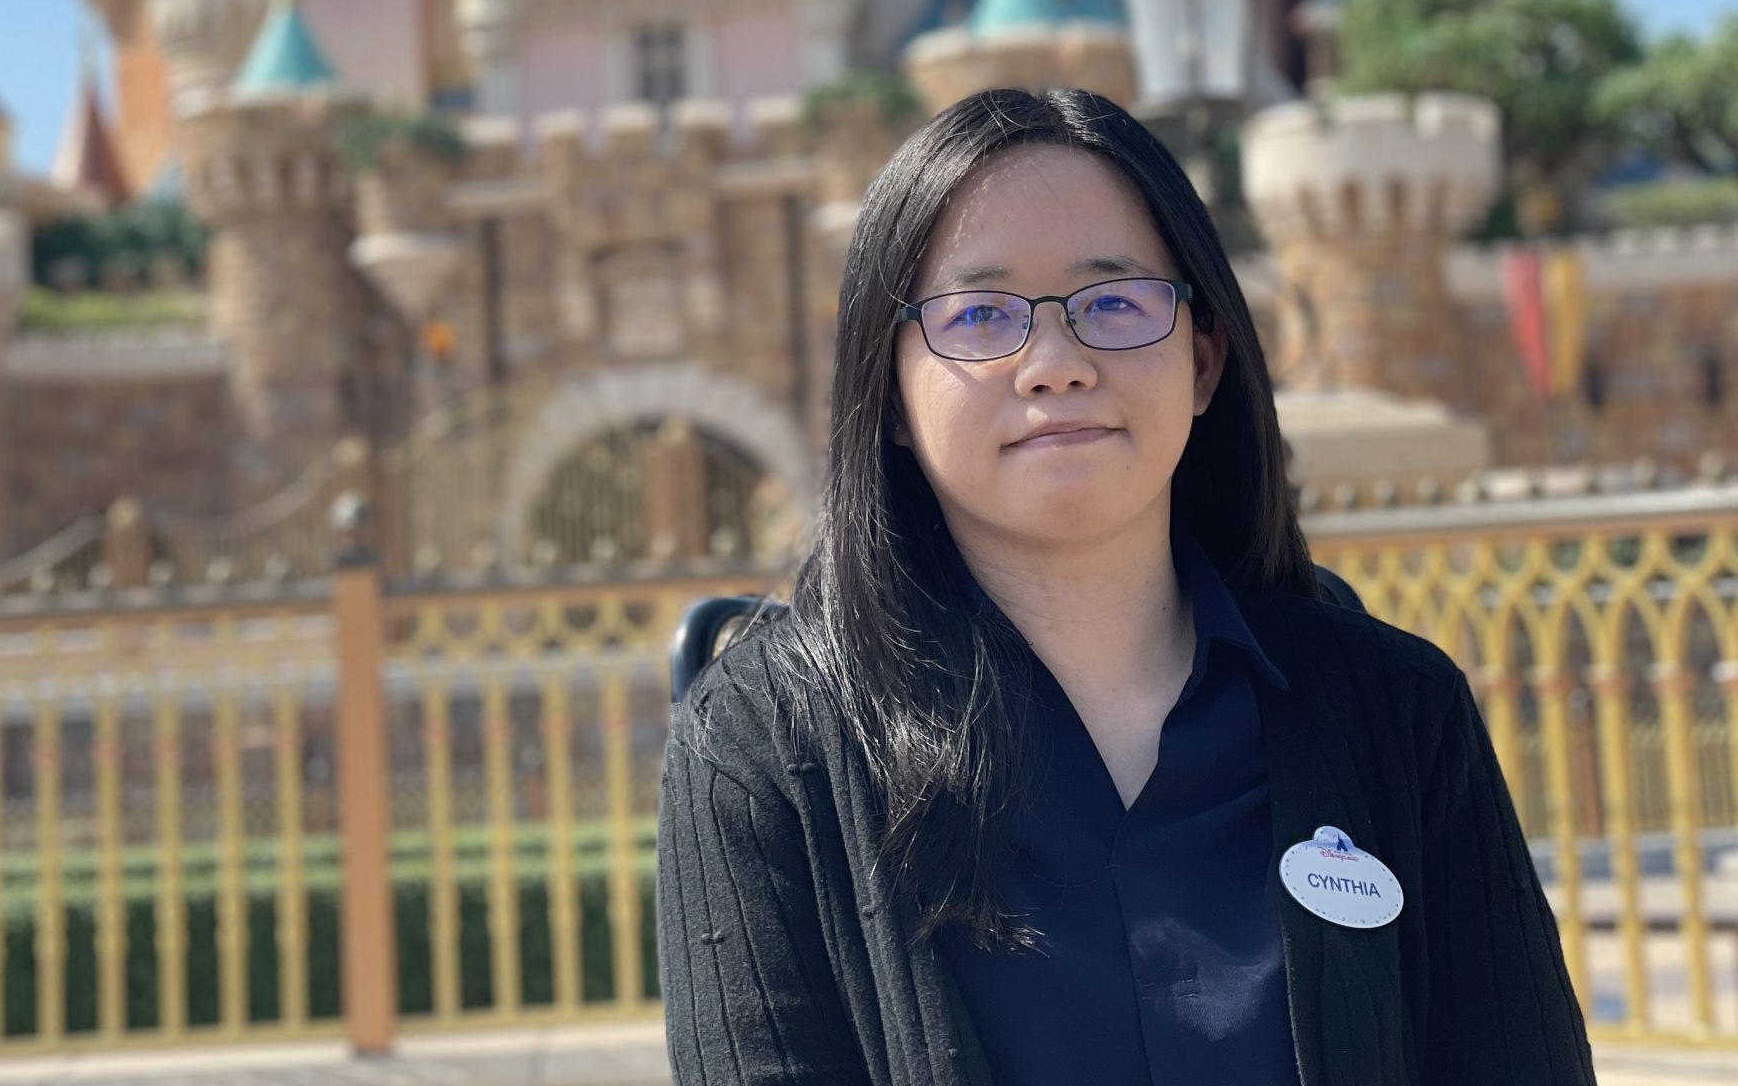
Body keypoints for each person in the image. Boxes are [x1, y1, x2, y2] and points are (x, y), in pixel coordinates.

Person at [656, 88, 1593, 1085]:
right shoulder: (760, 747)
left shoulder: (1399, 712)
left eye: (1113, 303)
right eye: (979, 315)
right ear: (889, 393)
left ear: (1201, 362)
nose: (1054, 365)